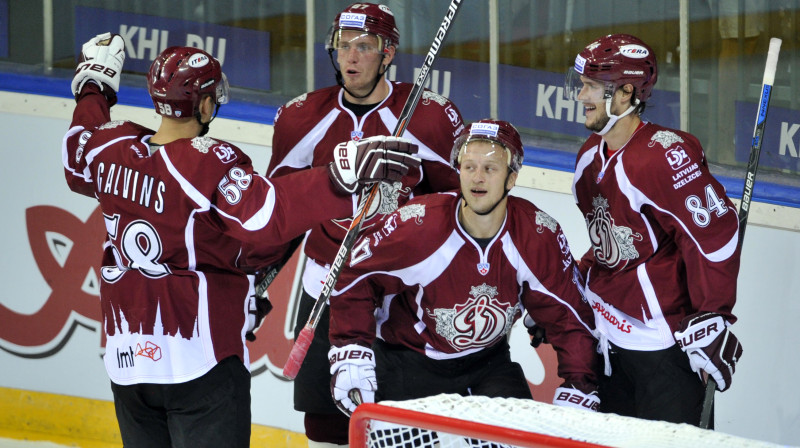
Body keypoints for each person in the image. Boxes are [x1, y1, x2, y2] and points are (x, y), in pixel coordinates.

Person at [62, 32, 420, 448]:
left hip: (127, 364)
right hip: (199, 363)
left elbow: (77, 150)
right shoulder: (204, 162)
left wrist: (94, 86)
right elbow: (268, 215)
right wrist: (338, 178)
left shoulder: (111, 147)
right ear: (205, 104)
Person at [264, 3, 464, 446]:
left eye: (365, 46)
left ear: (388, 53)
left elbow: (459, 208)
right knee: (325, 423)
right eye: (343, 46)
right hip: (326, 290)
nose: (350, 57)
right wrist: (255, 284)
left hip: (400, 297)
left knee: (404, 425)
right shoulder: (301, 117)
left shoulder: (429, 117)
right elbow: (275, 214)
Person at [327, 119, 600, 417]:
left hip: (487, 364)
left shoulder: (537, 234)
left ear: (511, 178)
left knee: (520, 434)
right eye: (469, 166)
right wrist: (351, 350)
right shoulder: (418, 225)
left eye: (490, 168)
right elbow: (353, 273)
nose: (477, 178)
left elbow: (569, 315)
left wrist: (579, 383)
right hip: (409, 362)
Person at [563, 33, 743, 427]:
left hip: (661, 348)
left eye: (593, 86)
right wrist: (568, 291)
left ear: (626, 94)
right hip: (606, 342)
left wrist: (713, 316)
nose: (582, 96)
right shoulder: (588, 158)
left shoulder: (663, 155)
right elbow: (609, 241)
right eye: (583, 85)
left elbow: (714, 235)